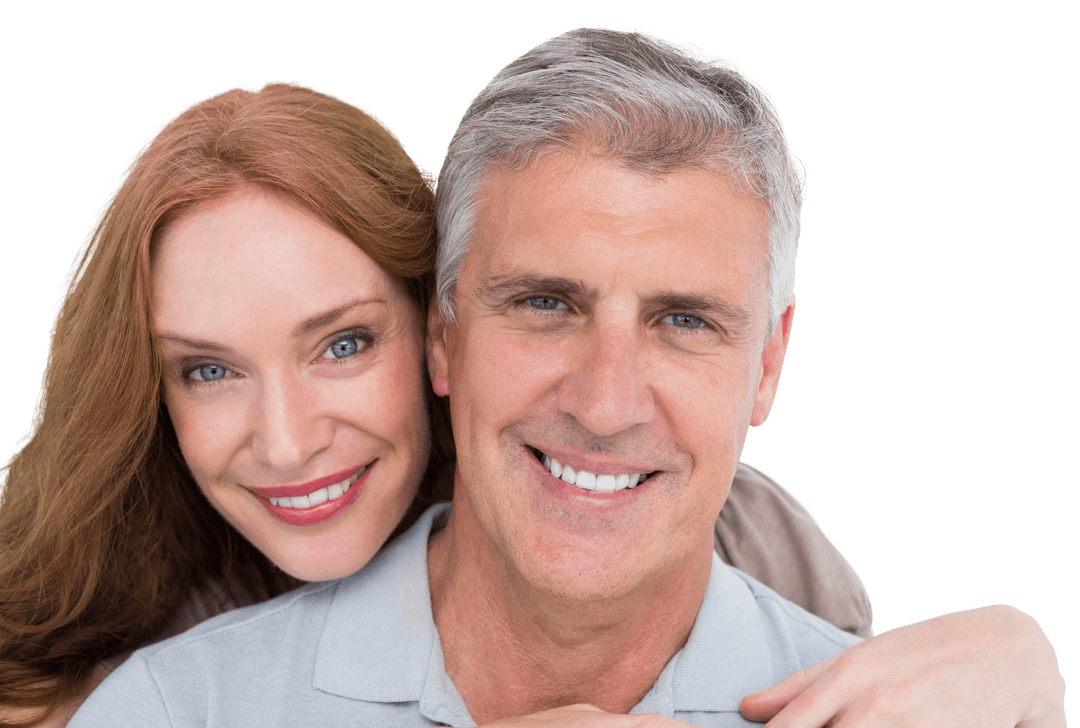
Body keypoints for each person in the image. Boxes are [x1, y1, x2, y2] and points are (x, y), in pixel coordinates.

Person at [69, 29, 1066, 727]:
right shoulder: (174, 707)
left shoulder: (902, 702)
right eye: (546, 302)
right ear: (445, 336)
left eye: (683, 321)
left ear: (768, 365)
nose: (603, 399)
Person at [0, 80, 869, 728]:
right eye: (208, 370)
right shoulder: (162, 691)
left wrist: (1009, 659)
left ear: (431, 332)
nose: (288, 442)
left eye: (342, 344)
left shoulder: (768, 559)